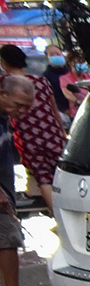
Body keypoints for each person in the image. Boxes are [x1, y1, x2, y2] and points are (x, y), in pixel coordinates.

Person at [0, 64, 62, 212]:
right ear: (3, 94)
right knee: (47, 177)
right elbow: (55, 110)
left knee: (48, 177)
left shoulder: (5, 118)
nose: (22, 111)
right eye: (18, 105)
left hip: (35, 139)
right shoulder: (40, 81)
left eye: (27, 107)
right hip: (47, 137)